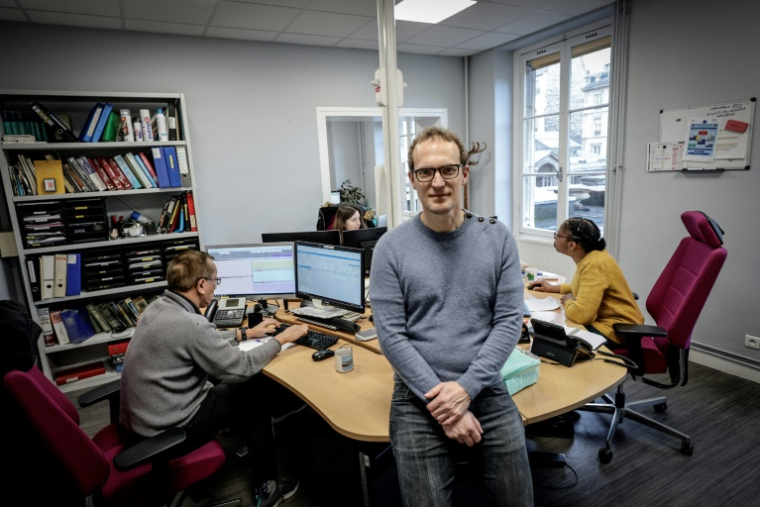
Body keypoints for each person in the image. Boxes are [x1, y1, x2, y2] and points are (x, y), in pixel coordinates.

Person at [371, 126, 533, 507]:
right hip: (417, 396)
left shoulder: (498, 239)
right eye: (425, 172)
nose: (438, 182)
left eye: (448, 170)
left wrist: (465, 390)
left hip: (485, 387)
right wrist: (445, 408)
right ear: (412, 179)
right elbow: (392, 336)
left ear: (464, 173)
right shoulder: (390, 248)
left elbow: (509, 321)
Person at [120, 250, 309, 507]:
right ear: (200, 284)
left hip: (144, 419)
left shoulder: (159, 307)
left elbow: (200, 343)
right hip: (170, 430)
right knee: (251, 392)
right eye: (214, 282)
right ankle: (268, 487)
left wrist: (245, 333)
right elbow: (240, 367)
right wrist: (281, 339)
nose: (214, 288)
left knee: (227, 384)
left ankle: (248, 438)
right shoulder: (191, 324)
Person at [529, 217, 643, 347]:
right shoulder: (591, 256)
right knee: (551, 330)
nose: (555, 237)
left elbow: (582, 315)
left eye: (558, 235)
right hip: (606, 323)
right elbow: (584, 287)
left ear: (572, 245)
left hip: (616, 330)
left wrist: (569, 301)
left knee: (553, 338)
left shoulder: (594, 264)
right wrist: (554, 288)